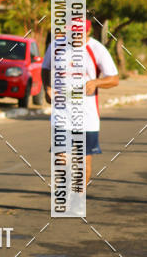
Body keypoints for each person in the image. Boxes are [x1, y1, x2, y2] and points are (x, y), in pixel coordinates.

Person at [41, 19, 118, 186]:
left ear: (87, 33)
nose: (73, 37)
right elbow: (45, 68)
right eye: (71, 32)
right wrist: (47, 88)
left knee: (84, 162)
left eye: (77, 33)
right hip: (61, 112)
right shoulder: (56, 46)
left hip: (87, 115)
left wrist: (96, 83)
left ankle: (78, 195)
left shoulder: (97, 49)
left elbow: (114, 79)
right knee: (61, 158)